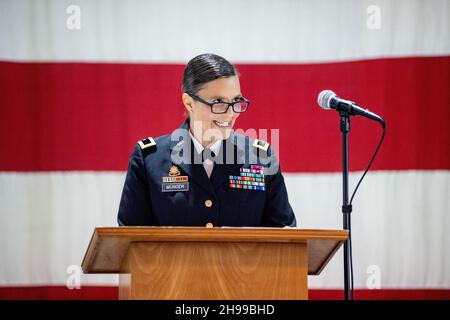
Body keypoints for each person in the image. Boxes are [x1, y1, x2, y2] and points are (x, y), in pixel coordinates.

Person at [118, 53, 296, 227]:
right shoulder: (149, 158)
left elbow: (284, 235)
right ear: (189, 103)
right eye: (218, 101)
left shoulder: (261, 157)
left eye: (236, 100)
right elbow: (132, 240)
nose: (230, 112)